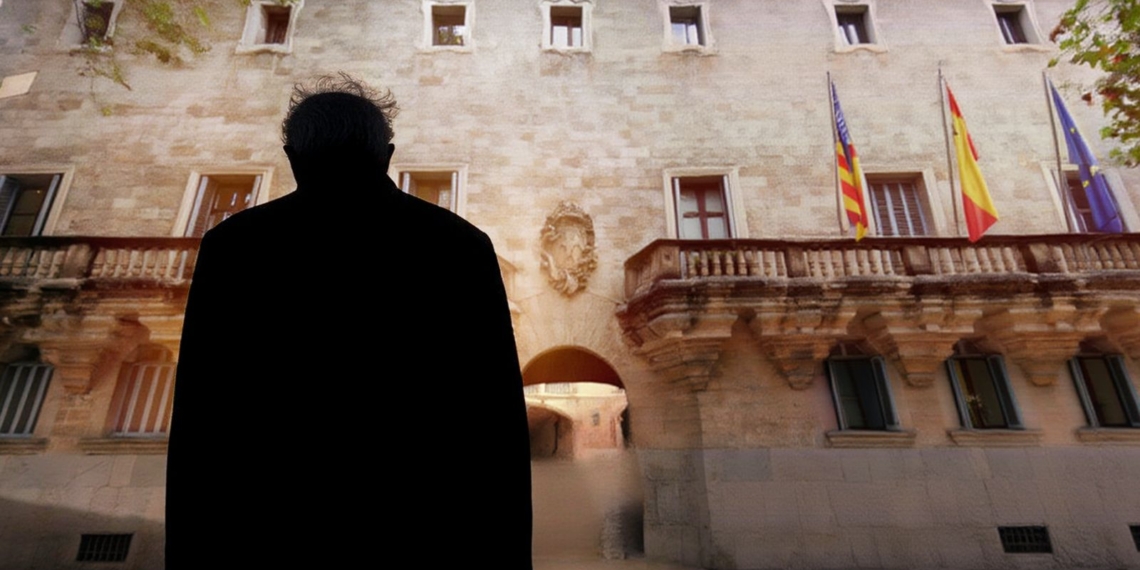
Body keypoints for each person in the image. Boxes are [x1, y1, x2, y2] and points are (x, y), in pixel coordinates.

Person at [166, 75, 533, 569]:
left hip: (268, 533)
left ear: (292, 157)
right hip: (425, 533)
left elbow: (204, 419)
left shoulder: (234, 248)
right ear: (387, 155)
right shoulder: (459, 247)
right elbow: (494, 421)